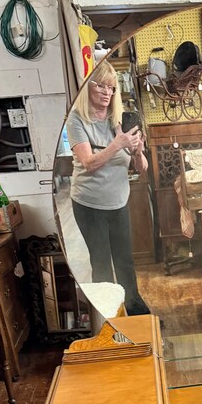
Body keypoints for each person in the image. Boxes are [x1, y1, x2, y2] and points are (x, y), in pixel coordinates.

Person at [66, 61, 150, 315]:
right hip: (89, 204)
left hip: (118, 202)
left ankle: (134, 309)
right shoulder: (76, 120)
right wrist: (118, 143)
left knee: (125, 261)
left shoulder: (119, 120)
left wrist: (136, 152)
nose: (106, 92)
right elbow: (89, 163)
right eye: (100, 86)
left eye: (111, 88)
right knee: (101, 263)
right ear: (87, 88)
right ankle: (108, 316)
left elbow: (142, 167)